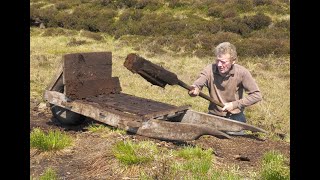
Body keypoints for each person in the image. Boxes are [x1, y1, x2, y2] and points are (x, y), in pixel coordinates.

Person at [188, 42, 262, 135]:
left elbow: (257, 95)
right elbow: (198, 83)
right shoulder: (209, 69)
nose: (219, 64)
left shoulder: (242, 73)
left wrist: (234, 105)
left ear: (233, 61)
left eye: (223, 62)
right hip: (213, 118)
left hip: (234, 119)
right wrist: (195, 89)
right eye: (217, 60)